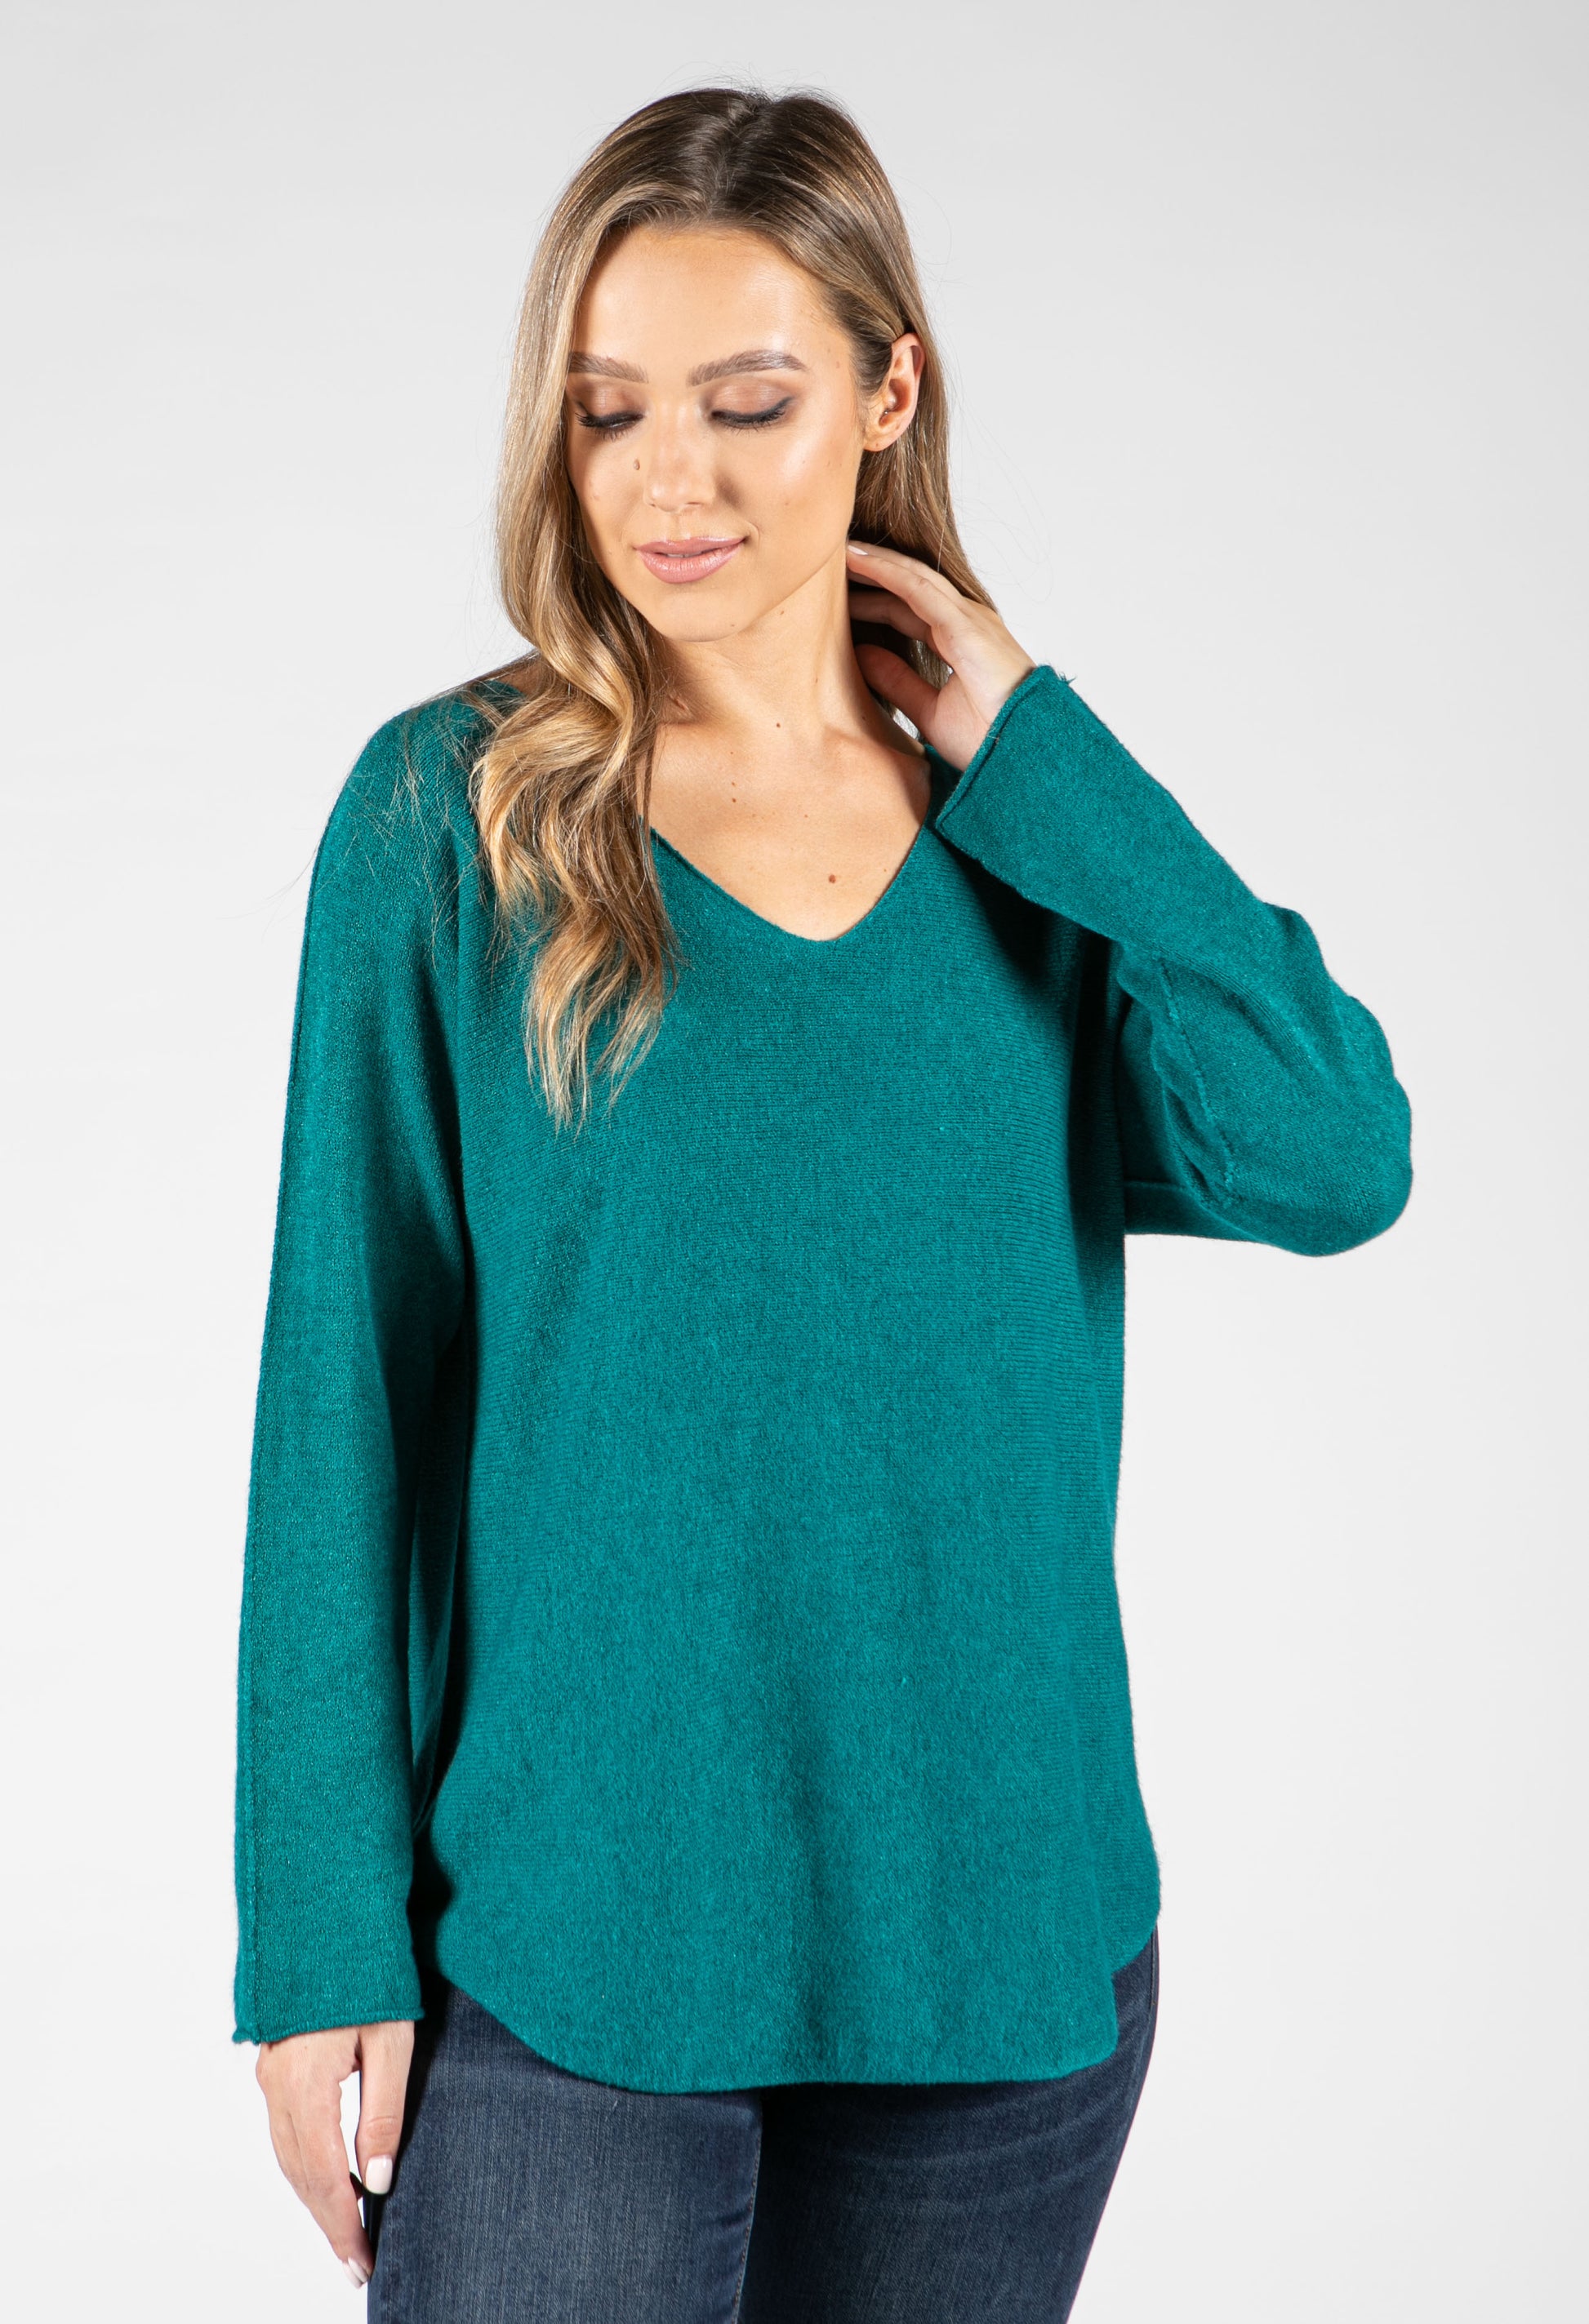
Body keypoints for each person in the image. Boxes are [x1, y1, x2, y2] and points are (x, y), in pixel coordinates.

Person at [235, 84, 1413, 2323]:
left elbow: (1332, 1157)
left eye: (747, 401)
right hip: (575, 1950)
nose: (668, 480)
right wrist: (316, 1949)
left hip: (997, 1939)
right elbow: (340, 1408)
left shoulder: (1024, 839)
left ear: (886, 394)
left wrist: (1051, 757)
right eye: (609, 411)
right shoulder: (452, 818)